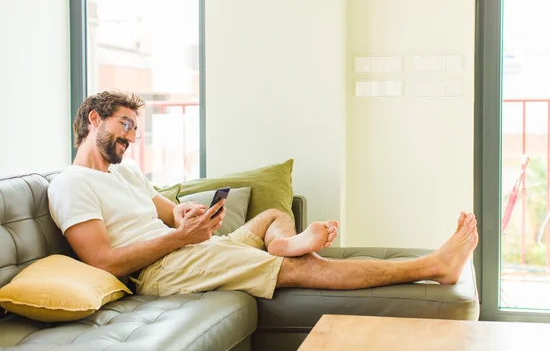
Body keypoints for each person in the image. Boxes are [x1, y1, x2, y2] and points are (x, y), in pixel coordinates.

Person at [48, 90, 479, 300]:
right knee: (302, 268)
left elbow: (168, 212)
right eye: (125, 125)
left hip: (189, 249)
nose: (132, 137)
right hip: (160, 273)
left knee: (274, 212)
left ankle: (284, 241)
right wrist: (181, 238)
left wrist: (188, 215)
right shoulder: (71, 184)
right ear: (93, 120)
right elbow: (102, 261)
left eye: (135, 130)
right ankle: (433, 266)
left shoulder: (128, 173)